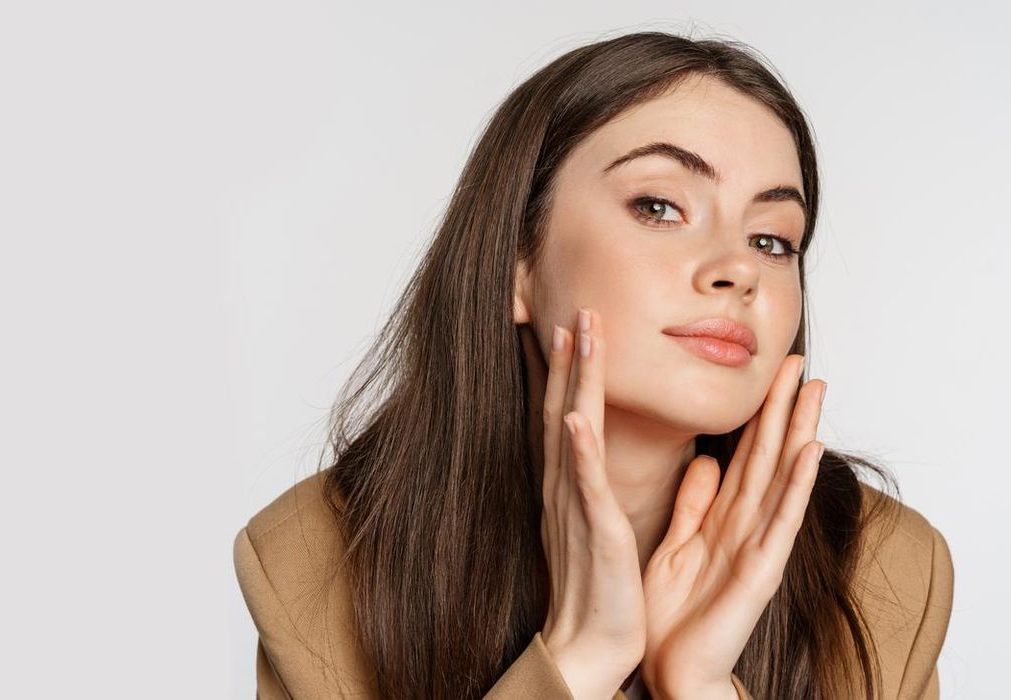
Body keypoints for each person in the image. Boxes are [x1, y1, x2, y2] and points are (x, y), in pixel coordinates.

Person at [233, 31, 954, 699]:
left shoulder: (883, 572)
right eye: (659, 207)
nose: (738, 269)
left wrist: (700, 684)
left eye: (772, 240)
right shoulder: (316, 564)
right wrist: (578, 659)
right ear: (516, 262)